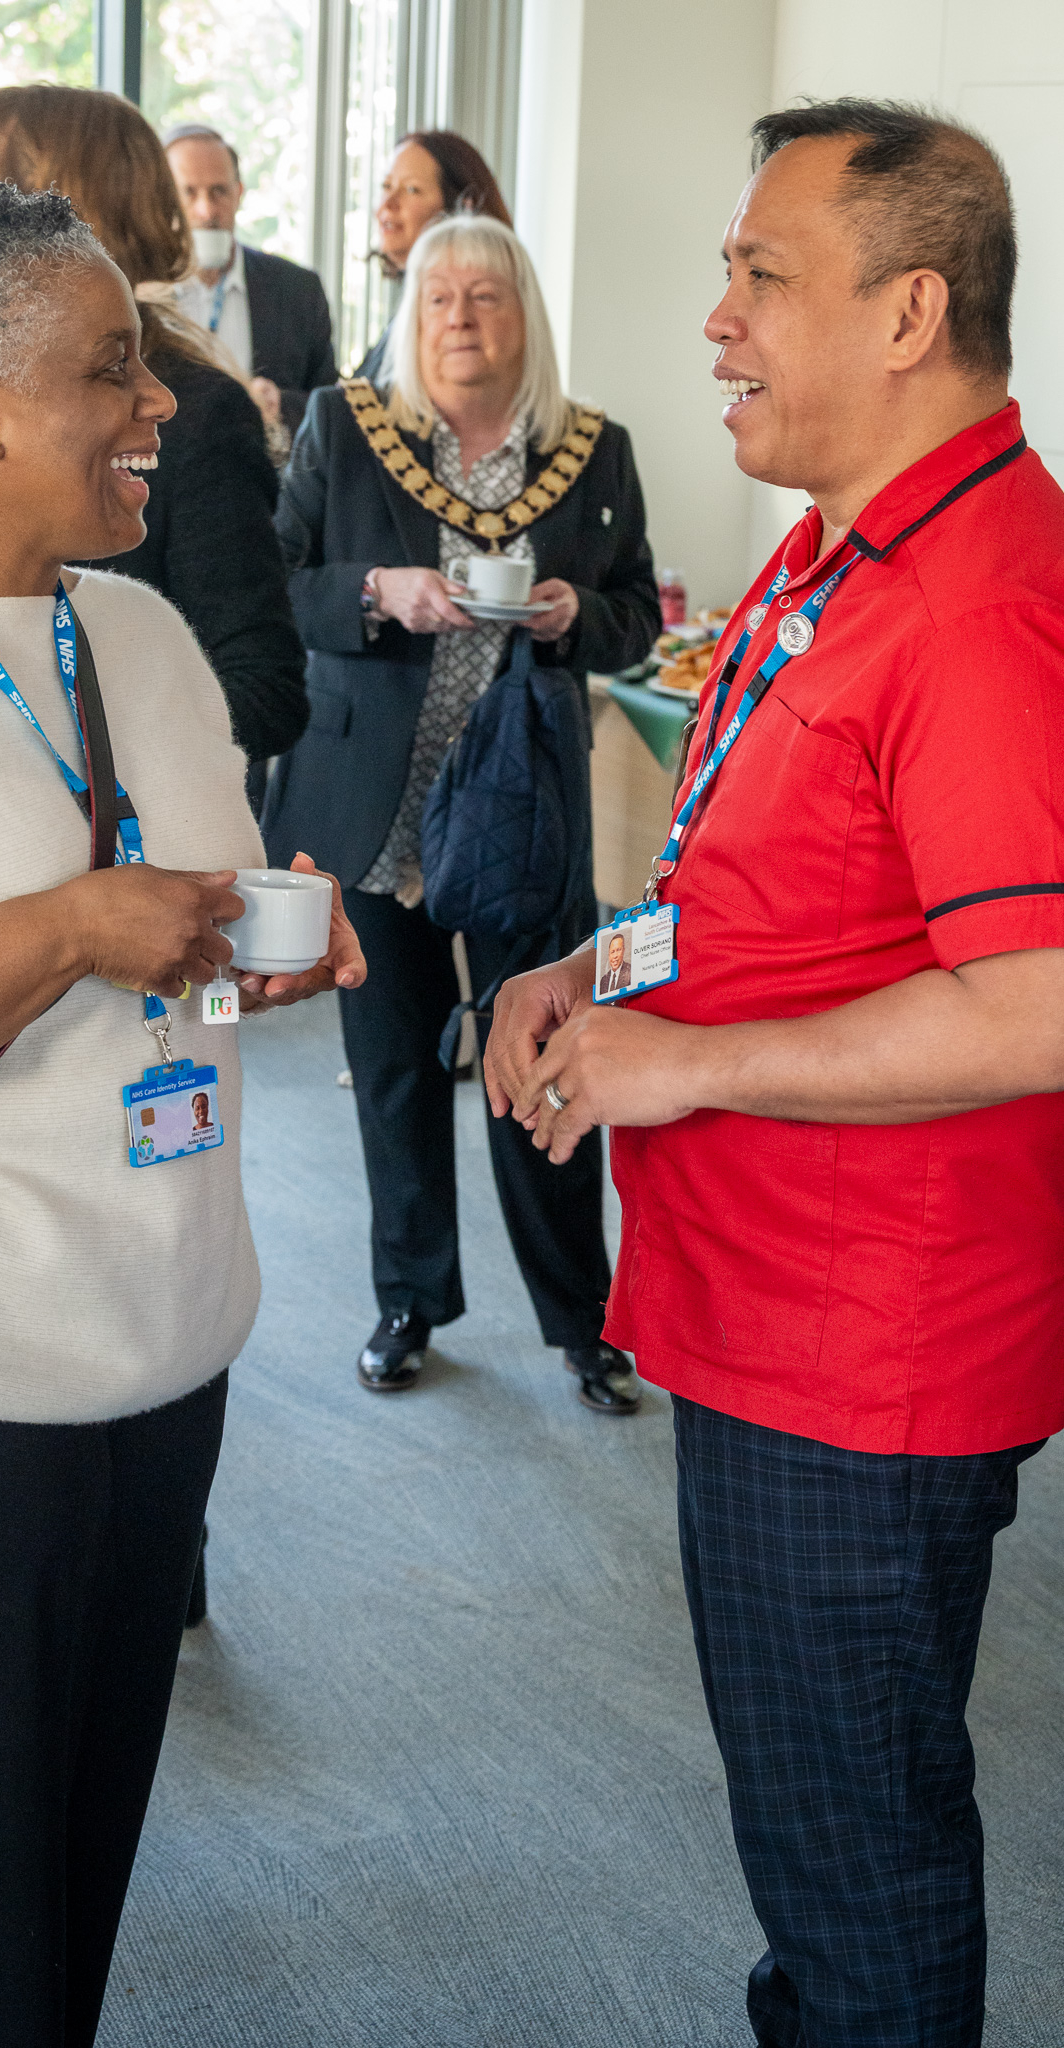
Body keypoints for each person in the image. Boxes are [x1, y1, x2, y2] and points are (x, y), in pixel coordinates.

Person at [485, 99, 1064, 2048]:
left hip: (861, 1351)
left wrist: (689, 1063)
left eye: (759, 274)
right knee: (817, 1832)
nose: (715, 318)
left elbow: (1033, 1002)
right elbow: (779, 883)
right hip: (770, 1311)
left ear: (908, 315)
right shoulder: (839, 554)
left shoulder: (978, 603)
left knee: (853, 1863)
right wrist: (596, 965)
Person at [0, 182, 363, 2045]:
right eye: (110, 369)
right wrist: (51, 933)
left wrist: (245, 956)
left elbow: (176, 946)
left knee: (62, 1917)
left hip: (162, 1370)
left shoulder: (141, 635)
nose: (163, 404)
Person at [264, 214, 660, 1411]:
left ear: (522, 315)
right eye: (437, 296)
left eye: (485, 296)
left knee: (543, 1057)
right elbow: (277, 581)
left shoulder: (590, 449)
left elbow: (635, 616)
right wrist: (375, 591)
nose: (460, 316)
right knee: (391, 1066)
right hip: (372, 811)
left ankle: (581, 1320)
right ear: (409, 315)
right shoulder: (346, 427)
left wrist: (571, 616)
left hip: (520, 810)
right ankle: (408, 1299)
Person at [0, 85, 310, 782]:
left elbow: (264, 691)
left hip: (121, 829)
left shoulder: (193, 413)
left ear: (54, 214)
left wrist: (57, 742)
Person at [165, 123, 337, 435]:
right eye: (189, 192)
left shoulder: (297, 290)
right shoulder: (135, 290)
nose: (207, 210)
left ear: (238, 194)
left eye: (219, 191)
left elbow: (330, 406)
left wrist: (279, 404)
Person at [358, 130, 512, 383]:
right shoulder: (406, 310)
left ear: (463, 207)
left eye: (411, 189)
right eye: (386, 186)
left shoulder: (463, 325)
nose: (388, 203)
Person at [598, 930, 628, 996]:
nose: (615, 956)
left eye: (618, 950)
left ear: (623, 951)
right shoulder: (603, 980)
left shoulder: (630, 972)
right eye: (612, 952)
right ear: (609, 955)